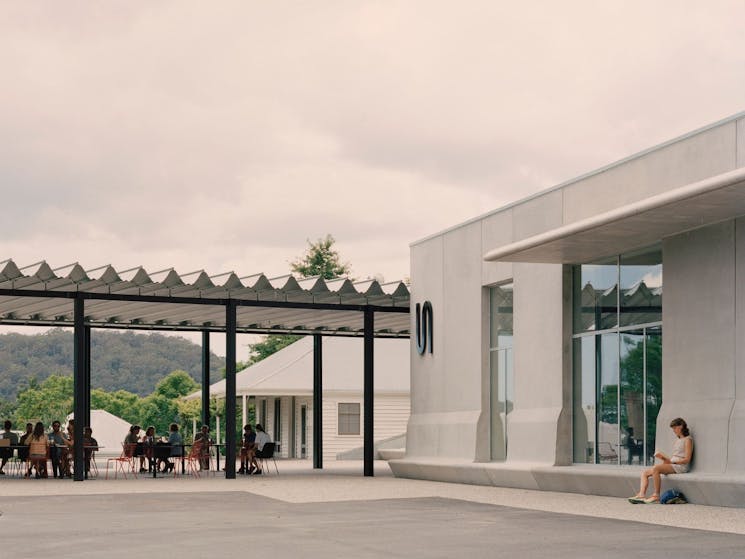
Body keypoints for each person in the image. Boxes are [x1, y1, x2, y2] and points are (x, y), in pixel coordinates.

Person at [629, 417, 693, 504]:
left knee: (656, 468)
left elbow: (687, 459)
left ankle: (656, 495)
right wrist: (665, 460)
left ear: (681, 426)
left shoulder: (688, 440)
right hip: (672, 464)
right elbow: (674, 457)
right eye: (672, 428)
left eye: (675, 428)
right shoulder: (678, 440)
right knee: (645, 473)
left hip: (680, 466)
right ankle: (641, 494)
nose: (673, 430)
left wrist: (672, 462)